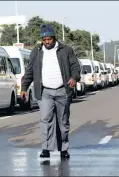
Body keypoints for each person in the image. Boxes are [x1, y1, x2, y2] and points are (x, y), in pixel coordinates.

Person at [20, 24, 81, 159]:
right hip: (44, 92)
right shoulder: (36, 52)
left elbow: (75, 67)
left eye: (49, 39)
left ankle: (63, 149)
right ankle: (45, 149)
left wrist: (74, 77)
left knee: (63, 122)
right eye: (44, 39)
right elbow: (29, 71)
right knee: (45, 120)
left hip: (63, 91)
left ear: (54, 38)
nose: (47, 42)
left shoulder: (66, 50)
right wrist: (24, 88)